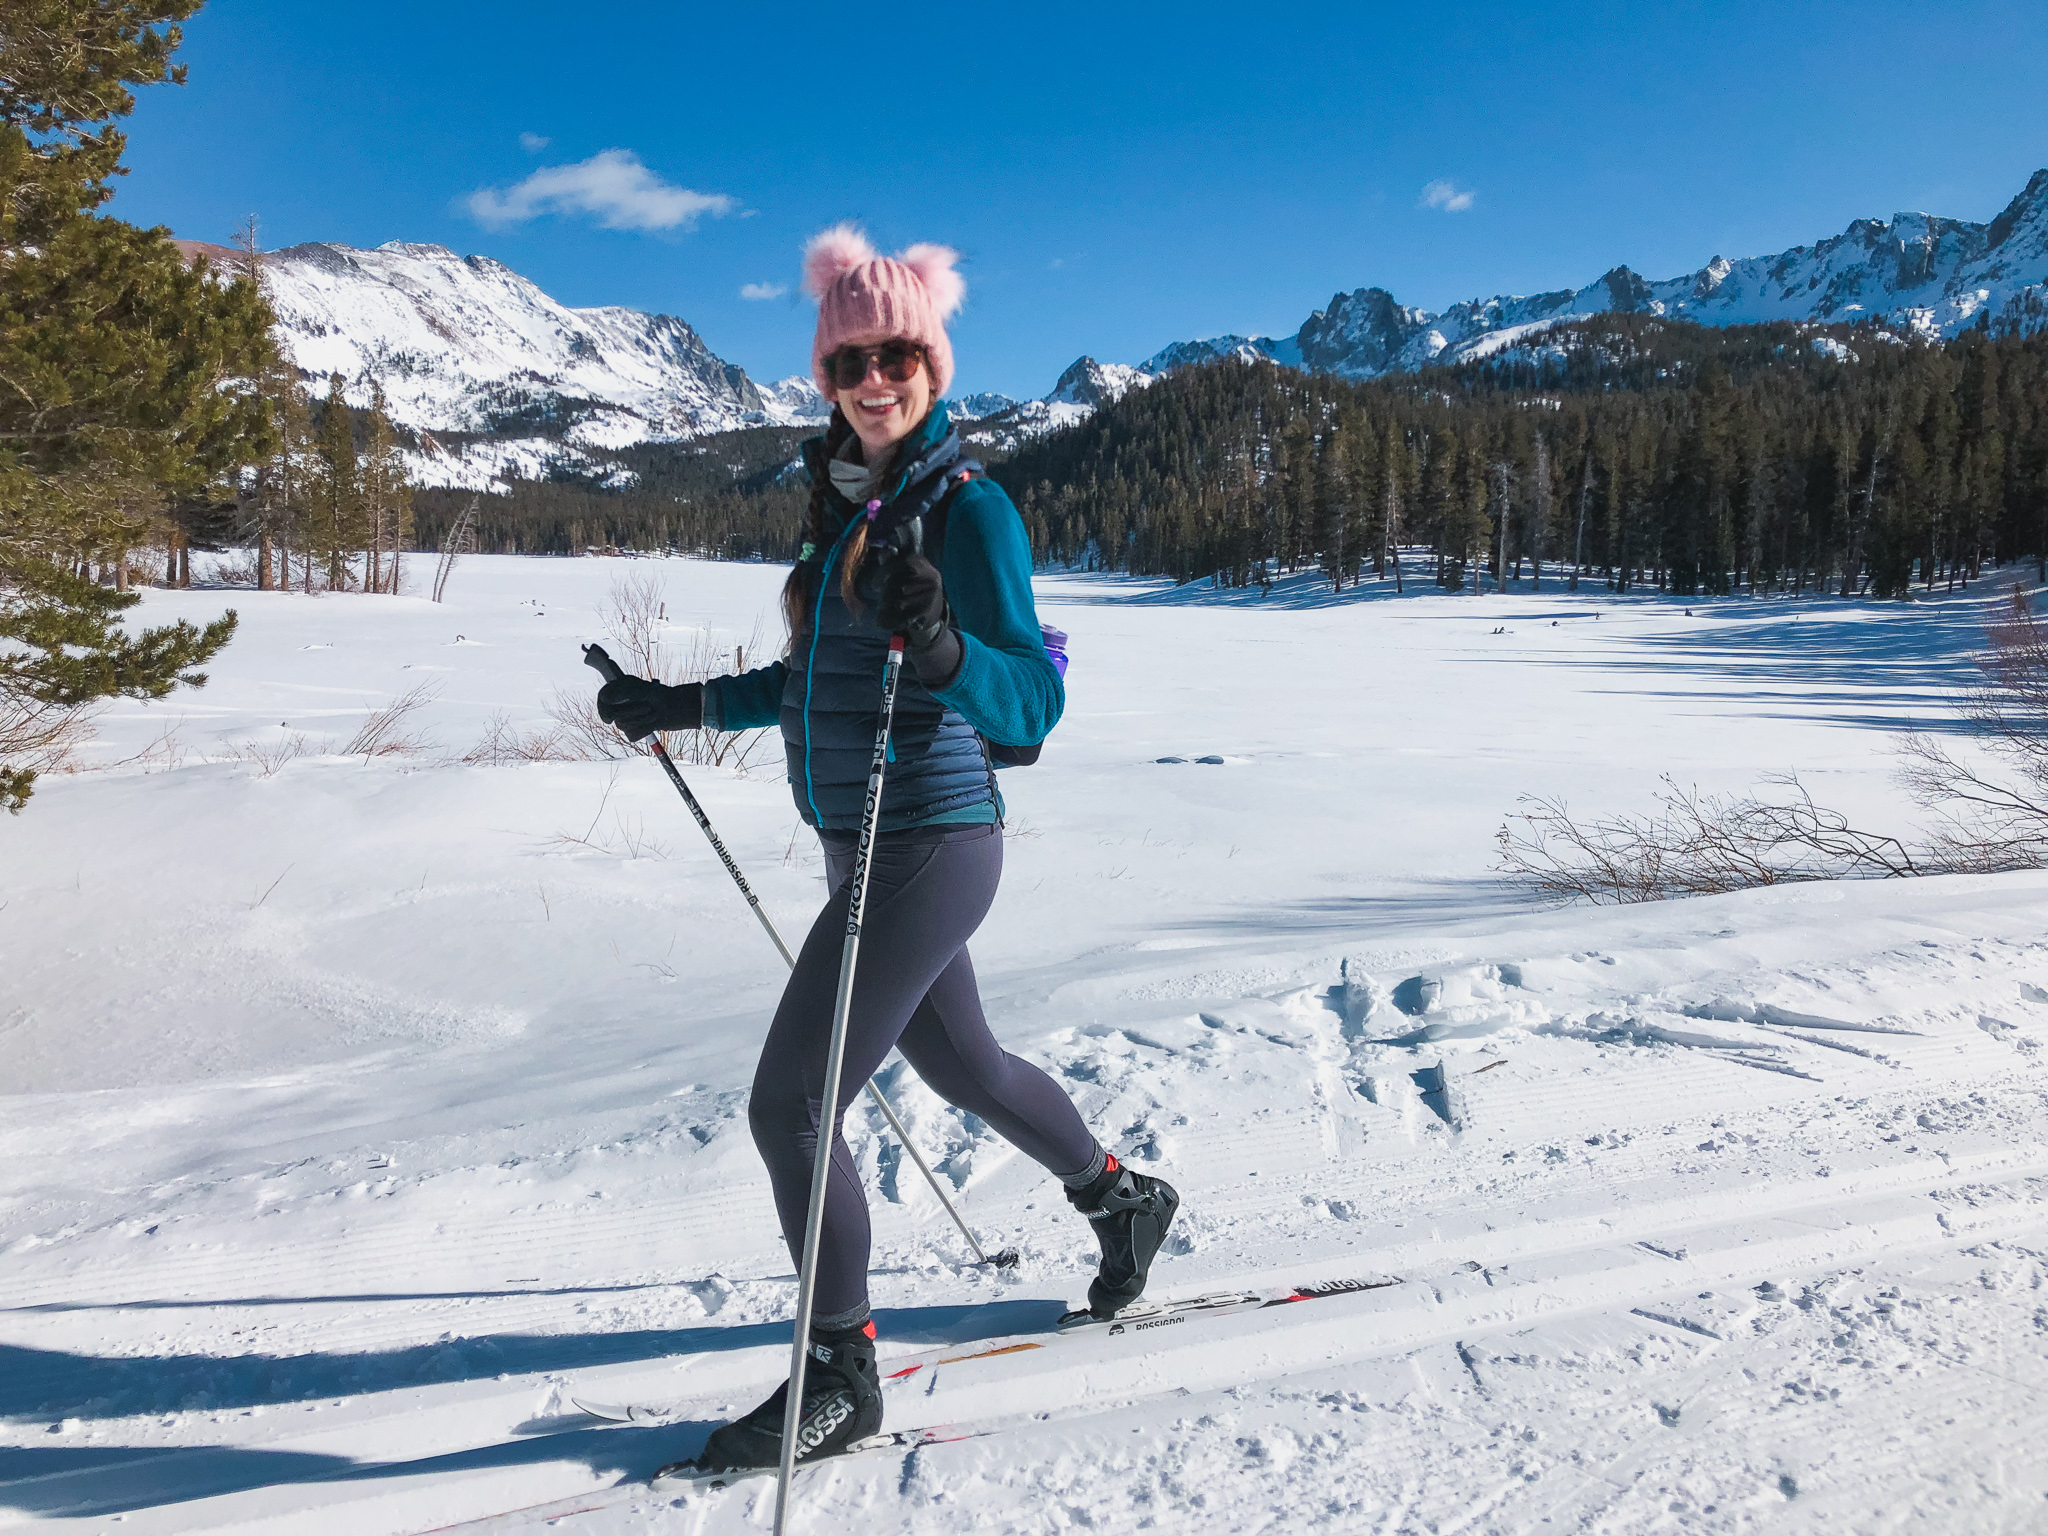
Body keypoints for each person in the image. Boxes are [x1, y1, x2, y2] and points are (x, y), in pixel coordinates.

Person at [596, 225, 1179, 1471]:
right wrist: (678, 705)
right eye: (849, 358)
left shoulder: (971, 511)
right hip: (858, 841)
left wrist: (947, 646)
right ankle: (1120, 1199)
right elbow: (812, 685)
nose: (874, 378)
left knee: (791, 1104)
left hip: (932, 830)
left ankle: (840, 1370)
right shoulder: (842, 503)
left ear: (932, 363)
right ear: (826, 374)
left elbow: (1032, 704)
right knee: (963, 1064)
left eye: (897, 354)